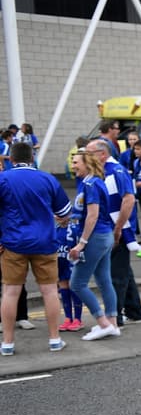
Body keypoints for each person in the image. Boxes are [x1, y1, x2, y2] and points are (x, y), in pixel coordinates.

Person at [0, 141, 73, 354]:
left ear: (11, 159)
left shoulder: (3, 179)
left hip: (13, 243)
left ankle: (8, 343)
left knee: (10, 292)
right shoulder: (47, 178)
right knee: (50, 291)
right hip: (45, 242)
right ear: (32, 158)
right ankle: (54, 339)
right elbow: (65, 212)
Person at [85, 139, 141, 326]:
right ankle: (134, 310)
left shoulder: (115, 171)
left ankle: (116, 315)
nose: (86, 157)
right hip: (112, 228)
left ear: (102, 154)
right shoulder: (105, 171)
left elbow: (127, 201)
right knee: (123, 269)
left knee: (115, 274)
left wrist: (118, 229)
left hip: (115, 229)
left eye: (89, 153)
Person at [66, 148, 121, 341]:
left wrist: (81, 243)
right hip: (103, 236)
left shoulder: (90, 184)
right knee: (104, 280)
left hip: (95, 237)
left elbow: (93, 214)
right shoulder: (93, 182)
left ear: (87, 164)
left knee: (77, 283)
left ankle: (103, 323)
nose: (73, 166)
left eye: (76, 162)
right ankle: (112, 324)